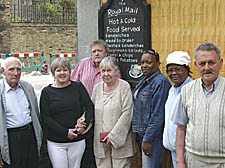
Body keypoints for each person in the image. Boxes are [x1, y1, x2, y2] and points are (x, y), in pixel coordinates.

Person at [172, 42, 225, 168]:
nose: (207, 67)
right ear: (196, 65)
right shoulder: (187, 91)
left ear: (221, 63)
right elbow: (181, 128)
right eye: (202, 63)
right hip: (194, 161)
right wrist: (179, 161)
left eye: (211, 62)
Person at [71, 39, 120, 168]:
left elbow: (117, 88)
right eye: (94, 51)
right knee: (85, 148)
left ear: (106, 53)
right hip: (84, 112)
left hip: (103, 113)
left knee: (100, 149)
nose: (97, 53)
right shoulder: (82, 64)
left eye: (100, 51)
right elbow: (72, 83)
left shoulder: (111, 67)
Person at [40, 58, 94, 168]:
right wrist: (65, 132)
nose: (62, 73)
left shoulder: (78, 87)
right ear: (53, 73)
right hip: (56, 142)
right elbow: (45, 117)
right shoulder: (46, 92)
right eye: (58, 70)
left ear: (70, 72)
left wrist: (84, 125)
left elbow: (89, 106)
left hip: (77, 140)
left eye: (65, 70)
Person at [92, 56, 136, 168]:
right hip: (100, 141)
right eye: (103, 71)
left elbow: (127, 113)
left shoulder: (124, 87)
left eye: (109, 70)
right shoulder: (97, 88)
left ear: (116, 71)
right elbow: (90, 110)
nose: (106, 74)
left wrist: (113, 136)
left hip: (120, 142)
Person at [0, 57, 42, 168]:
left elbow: (35, 114)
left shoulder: (27, 87)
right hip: (11, 138)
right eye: (11, 69)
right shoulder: (1, 90)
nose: (15, 73)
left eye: (18, 69)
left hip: (29, 135)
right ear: (3, 71)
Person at [132, 49, 171, 168]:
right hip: (141, 133)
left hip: (152, 137)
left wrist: (148, 139)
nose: (144, 66)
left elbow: (158, 114)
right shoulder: (145, 80)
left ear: (158, 64)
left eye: (148, 63)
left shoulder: (160, 82)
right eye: (142, 63)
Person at [162, 51, 192, 168]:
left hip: (187, 151)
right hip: (173, 150)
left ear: (187, 69)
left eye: (178, 69)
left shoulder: (191, 90)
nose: (173, 73)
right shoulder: (172, 90)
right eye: (170, 70)